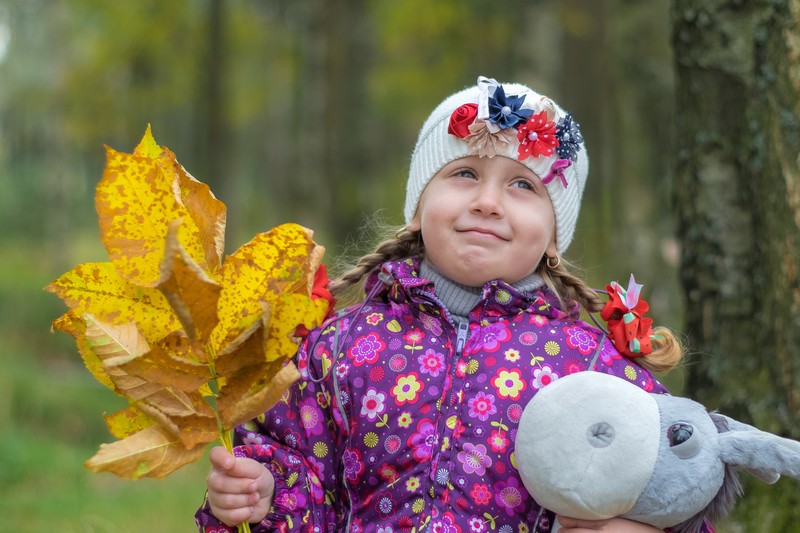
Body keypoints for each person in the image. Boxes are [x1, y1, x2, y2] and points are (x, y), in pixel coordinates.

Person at [195, 76, 715, 533]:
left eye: (522, 185)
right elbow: (300, 469)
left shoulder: (595, 370)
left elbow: (673, 483)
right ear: (420, 208)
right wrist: (265, 494)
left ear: (554, 237)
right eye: (464, 174)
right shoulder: (341, 347)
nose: (488, 201)